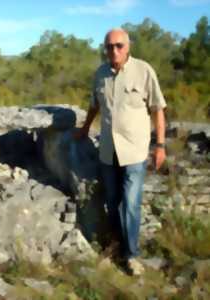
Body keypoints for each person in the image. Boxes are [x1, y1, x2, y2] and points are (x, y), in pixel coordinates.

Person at [75, 28, 166, 275]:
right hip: (108, 151)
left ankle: (132, 255)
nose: (114, 51)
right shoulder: (100, 74)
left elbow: (158, 109)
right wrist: (84, 130)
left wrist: (160, 145)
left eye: (119, 46)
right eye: (109, 46)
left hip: (134, 151)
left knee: (131, 203)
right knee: (112, 202)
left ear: (128, 47)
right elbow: (94, 106)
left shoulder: (143, 70)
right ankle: (115, 248)